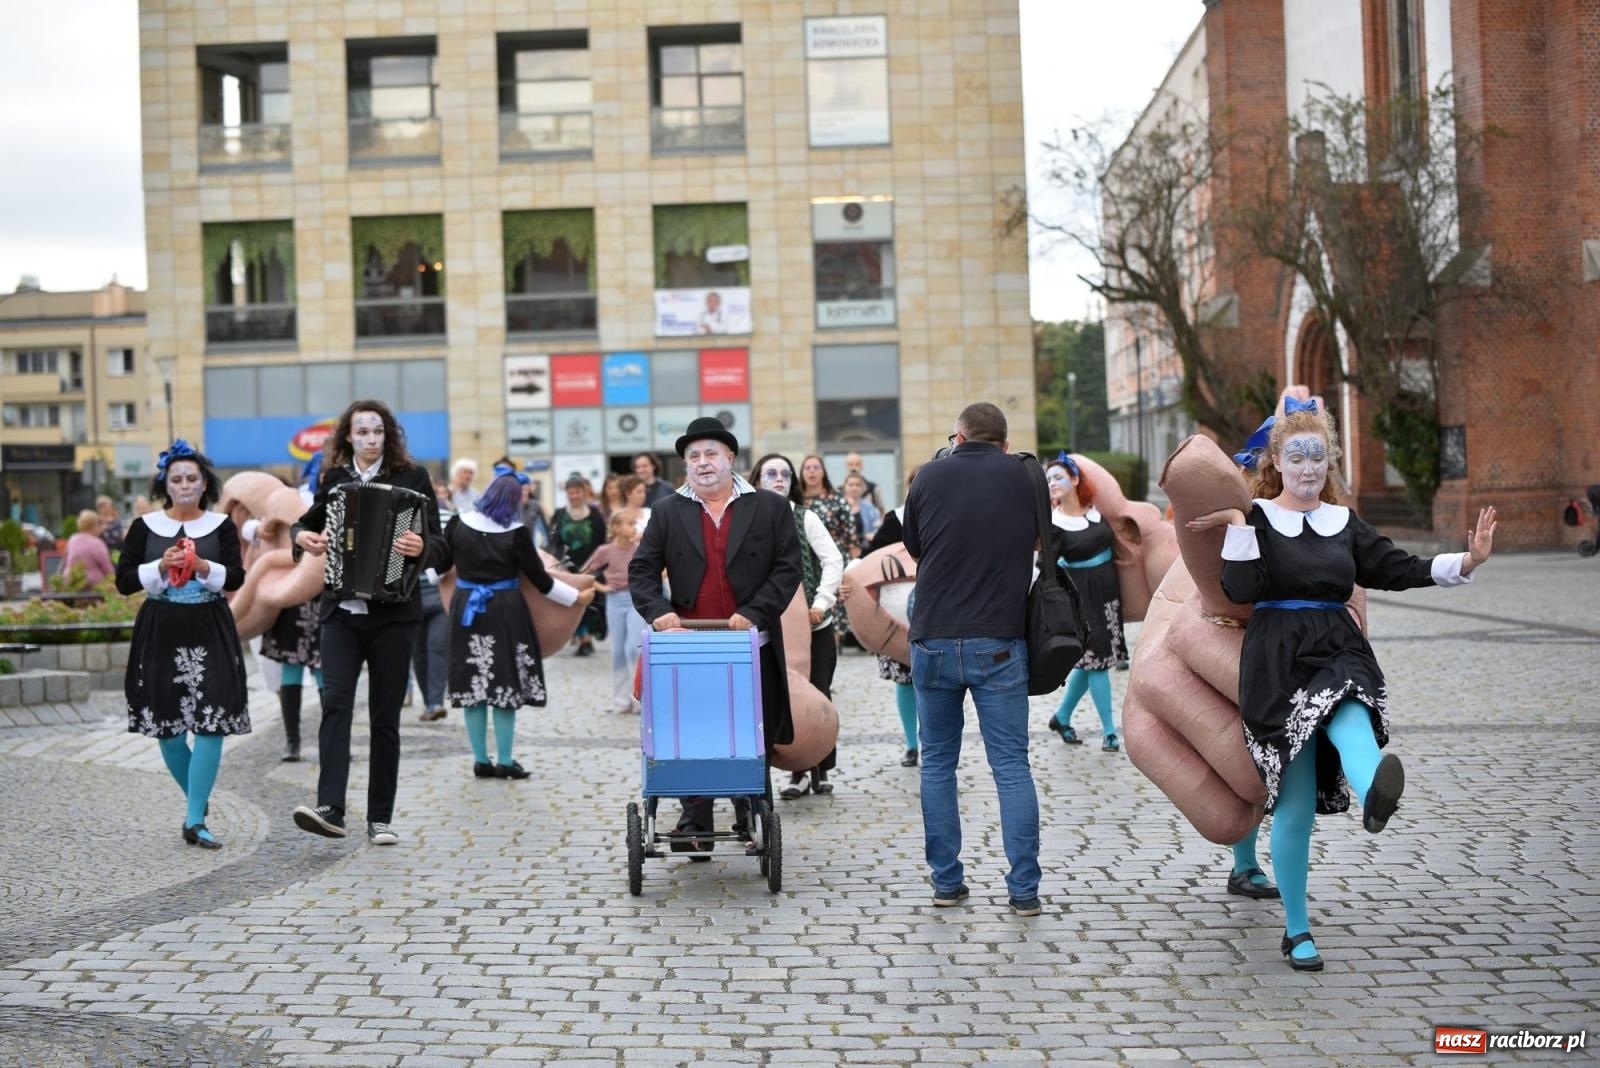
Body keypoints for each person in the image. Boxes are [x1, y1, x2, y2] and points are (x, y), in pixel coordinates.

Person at [1187, 398, 1497, 970]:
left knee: (1350, 701)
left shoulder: (1343, 524)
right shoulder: (1256, 518)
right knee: (1296, 802)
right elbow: (1239, 588)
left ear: (1330, 464)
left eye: (1319, 459)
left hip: (1336, 643)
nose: (1309, 469)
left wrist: (1468, 562)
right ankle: (1297, 929)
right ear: (1277, 460)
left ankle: (1376, 788)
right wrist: (1237, 525)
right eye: (1298, 458)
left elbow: (1397, 567)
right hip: (1277, 660)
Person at [627, 416, 803, 856]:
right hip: (689, 646)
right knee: (691, 730)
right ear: (685, 466)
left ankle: (752, 809)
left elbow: (787, 569)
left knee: (751, 729)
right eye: (693, 457)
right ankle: (694, 819)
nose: (703, 463)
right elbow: (642, 571)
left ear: (730, 458)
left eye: (711, 454)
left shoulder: (769, 507)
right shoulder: (668, 511)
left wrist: (754, 611)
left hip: (750, 643)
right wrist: (661, 612)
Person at [903, 402, 1043, 916]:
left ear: (958, 437)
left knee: (937, 762)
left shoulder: (930, 475)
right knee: (1010, 765)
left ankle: (946, 882)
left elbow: (914, 545)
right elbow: (1039, 540)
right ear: (1004, 442)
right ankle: (1024, 890)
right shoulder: (1025, 476)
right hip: (1000, 640)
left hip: (934, 638)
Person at [288, 400, 446, 846]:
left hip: (394, 616)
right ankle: (330, 808)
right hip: (341, 612)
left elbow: (442, 543)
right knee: (335, 705)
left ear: (388, 435)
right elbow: (305, 523)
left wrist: (423, 548)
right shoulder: (335, 480)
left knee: (384, 718)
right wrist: (300, 537)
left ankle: (380, 817)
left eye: (378, 431)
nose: (371, 439)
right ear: (349, 438)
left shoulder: (412, 478)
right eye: (362, 432)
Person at [115, 439, 249, 849]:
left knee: (210, 725)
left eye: (193, 477)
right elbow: (123, 583)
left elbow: (237, 579)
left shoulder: (221, 526)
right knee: (169, 731)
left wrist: (204, 566)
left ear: (204, 482)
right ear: (166, 484)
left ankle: (194, 819)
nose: (185, 484)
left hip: (209, 625)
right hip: (161, 626)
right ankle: (199, 800)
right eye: (177, 479)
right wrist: (160, 565)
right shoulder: (144, 527)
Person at [438, 469, 592, 779]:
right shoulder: (517, 533)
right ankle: (506, 761)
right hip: (504, 610)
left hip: (466, 608)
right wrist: (576, 597)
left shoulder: (457, 523)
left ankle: (481, 760)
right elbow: (542, 581)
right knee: (504, 686)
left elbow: (437, 568)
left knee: (473, 686)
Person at [751, 453, 845, 799]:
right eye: (770, 474)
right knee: (780, 697)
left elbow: (833, 559)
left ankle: (819, 766)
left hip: (814, 626)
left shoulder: (805, 517)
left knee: (818, 690)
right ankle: (797, 773)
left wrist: (820, 602)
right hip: (769, 627)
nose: (779, 479)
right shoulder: (750, 519)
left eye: (785, 474)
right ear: (757, 479)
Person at [1042, 453, 1128, 752]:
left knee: (1092, 662)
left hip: (1107, 592)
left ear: (1075, 479)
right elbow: (1047, 567)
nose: (1052, 482)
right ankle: (1109, 731)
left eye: (1058, 477)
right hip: (1081, 598)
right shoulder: (1053, 523)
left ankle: (1062, 717)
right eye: (1049, 479)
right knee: (1099, 663)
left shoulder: (1095, 511)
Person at [844, 465, 924, 767]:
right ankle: (911, 744)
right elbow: (870, 558)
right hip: (897, 612)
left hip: (938, 608)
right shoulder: (897, 518)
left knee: (936, 682)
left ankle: (933, 743)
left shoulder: (949, 514)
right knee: (905, 680)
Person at [583, 507, 648, 713]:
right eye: (629, 523)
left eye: (634, 524)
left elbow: (661, 568)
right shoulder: (605, 551)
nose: (633, 527)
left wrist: (649, 585)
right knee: (618, 650)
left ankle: (640, 699)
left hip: (635, 599)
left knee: (634, 647)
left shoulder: (640, 548)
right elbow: (584, 573)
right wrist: (601, 587)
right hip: (613, 600)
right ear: (617, 528)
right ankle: (621, 701)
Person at [548, 473, 607, 656]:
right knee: (574, 602)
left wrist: (598, 564)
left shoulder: (595, 514)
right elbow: (554, 543)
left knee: (592, 603)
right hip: (568, 567)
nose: (574, 496)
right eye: (570, 492)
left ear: (584, 492)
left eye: (577, 492)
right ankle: (583, 640)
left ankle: (588, 637)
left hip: (592, 567)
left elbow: (602, 542)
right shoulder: (559, 515)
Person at [799, 454, 859, 562]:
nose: (812, 471)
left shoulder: (837, 498)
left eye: (816, 467)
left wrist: (857, 567)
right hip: (805, 561)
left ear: (823, 473)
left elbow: (851, 538)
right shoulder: (796, 501)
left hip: (836, 557)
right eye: (807, 468)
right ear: (802, 473)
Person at [63, 510, 115, 586]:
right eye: (99, 524)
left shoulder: (72, 539)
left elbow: (66, 560)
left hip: (72, 584)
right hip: (94, 586)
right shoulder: (97, 543)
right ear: (94, 525)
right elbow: (107, 569)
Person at [841, 472, 881, 552]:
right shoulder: (839, 506)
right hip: (843, 550)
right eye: (851, 485)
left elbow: (878, 528)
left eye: (857, 485)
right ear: (845, 487)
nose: (854, 488)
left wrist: (873, 535)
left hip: (865, 550)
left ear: (862, 488)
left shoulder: (870, 508)